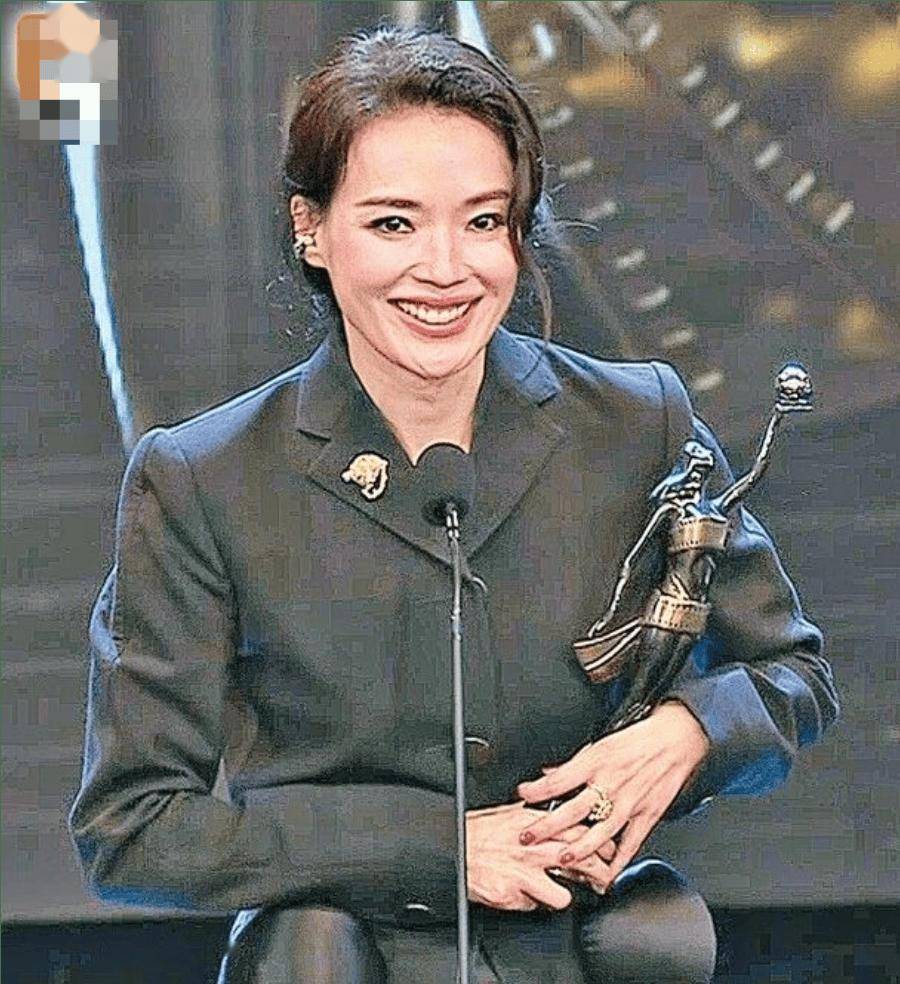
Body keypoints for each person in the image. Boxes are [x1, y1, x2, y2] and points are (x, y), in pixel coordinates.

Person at [68, 23, 839, 983]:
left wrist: (694, 729)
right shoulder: (203, 476)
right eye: (394, 223)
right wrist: (438, 850)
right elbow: (133, 827)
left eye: (483, 221)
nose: (446, 268)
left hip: (577, 945)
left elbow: (793, 676)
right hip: (342, 954)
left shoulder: (638, 421)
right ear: (311, 228)